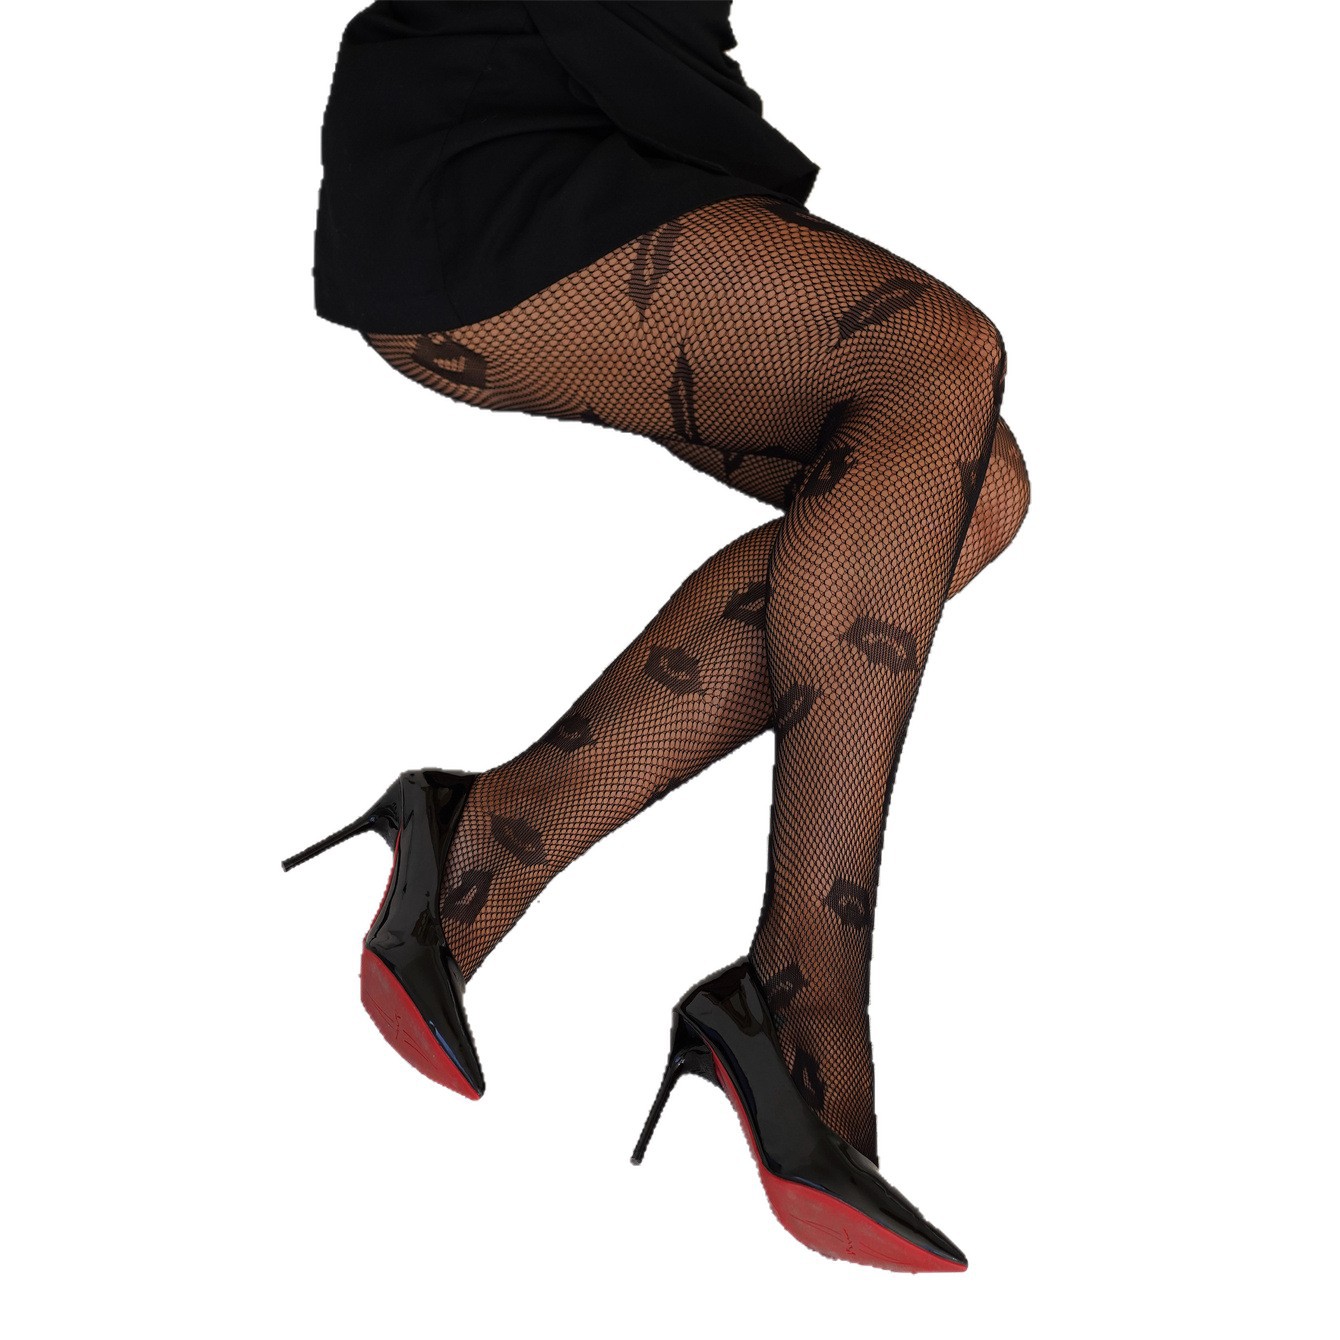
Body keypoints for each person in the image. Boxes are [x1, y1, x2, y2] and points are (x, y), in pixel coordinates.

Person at [284, 0, 1031, 1274]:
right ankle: (800, 991)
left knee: (964, 494)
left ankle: (487, 839)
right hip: (481, 141)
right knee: (932, 356)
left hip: (609, 133)